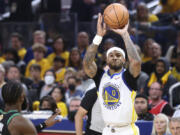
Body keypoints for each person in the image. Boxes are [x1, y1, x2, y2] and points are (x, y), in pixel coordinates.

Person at [83, 13, 141, 135]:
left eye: (118, 55)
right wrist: (98, 36)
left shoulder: (127, 76)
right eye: (111, 55)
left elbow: (136, 62)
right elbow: (87, 63)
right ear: (106, 59)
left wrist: (125, 34)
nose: (114, 57)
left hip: (127, 130)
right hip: (107, 130)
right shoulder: (100, 77)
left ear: (124, 60)